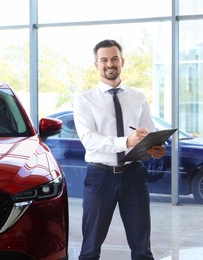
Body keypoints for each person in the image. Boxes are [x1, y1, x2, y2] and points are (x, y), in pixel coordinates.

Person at [73, 39, 166, 260]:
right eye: (104, 59)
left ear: (122, 61)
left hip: (134, 176)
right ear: (96, 64)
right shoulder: (83, 100)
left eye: (114, 58)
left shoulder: (138, 98)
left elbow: (148, 133)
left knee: (142, 249)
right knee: (90, 249)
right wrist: (127, 142)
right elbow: (89, 140)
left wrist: (154, 147)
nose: (109, 64)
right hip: (100, 177)